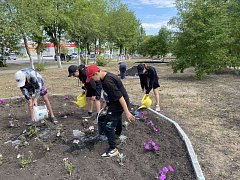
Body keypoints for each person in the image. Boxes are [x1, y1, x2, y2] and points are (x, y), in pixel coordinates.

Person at [85, 64, 135, 158]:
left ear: (96, 73)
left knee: (108, 126)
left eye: (92, 77)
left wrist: (127, 112)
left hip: (120, 103)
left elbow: (120, 97)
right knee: (115, 118)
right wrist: (107, 105)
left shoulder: (108, 82)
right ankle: (117, 134)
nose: (92, 79)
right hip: (115, 102)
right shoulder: (104, 76)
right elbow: (111, 95)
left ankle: (113, 149)